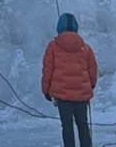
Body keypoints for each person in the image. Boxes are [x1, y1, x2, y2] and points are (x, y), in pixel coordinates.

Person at [41, 12, 98, 147]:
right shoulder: (85, 48)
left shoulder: (53, 47)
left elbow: (47, 70)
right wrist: (91, 85)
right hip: (82, 96)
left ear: (59, 27)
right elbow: (92, 69)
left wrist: (46, 90)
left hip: (62, 96)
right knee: (83, 125)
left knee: (67, 126)